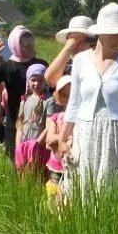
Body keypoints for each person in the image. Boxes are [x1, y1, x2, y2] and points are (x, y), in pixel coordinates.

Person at [60, 3, 118, 195]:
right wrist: (64, 139)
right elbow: (74, 103)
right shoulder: (81, 60)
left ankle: (105, 224)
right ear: (101, 33)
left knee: (108, 188)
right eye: (113, 32)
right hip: (85, 131)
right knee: (81, 184)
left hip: (115, 133)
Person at [0, 25, 47, 158]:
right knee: (17, 159)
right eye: (25, 45)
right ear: (15, 45)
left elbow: (52, 86)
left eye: (31, 45)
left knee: (39, 160)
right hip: (15, 121)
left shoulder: (40, 64)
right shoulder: (7, 66)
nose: (30, 48)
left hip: (39, 121)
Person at [14, 64, 50, 176]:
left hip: (39, 147)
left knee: (39, 175)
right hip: (25, 147)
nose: (37, 83)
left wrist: (36, 144)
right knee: (25, 176)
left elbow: (50, 126)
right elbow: (20, 125)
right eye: (33, 80)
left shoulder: (49, 101)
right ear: (28, 81)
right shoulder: (25, 100)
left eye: (40, 80)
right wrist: (19, 146)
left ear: (46, 81)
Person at [44, 15, 94, 88]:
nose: (77, 44)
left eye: (84, 40)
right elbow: (51, 80)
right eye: (74, 39)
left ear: (91, 42)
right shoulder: (64, 62)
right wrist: (68, 48)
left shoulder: (97, 61)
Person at [44, 76, 72, 205]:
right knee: (54, 199)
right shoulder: (55, 118)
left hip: (72, 166)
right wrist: (68, 138)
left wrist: (58, 138)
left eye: (73, 94)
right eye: (65, 95)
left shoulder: (82, 120)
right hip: (56, 167)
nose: (70, 99)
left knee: (70, 200)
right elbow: (49, 142)